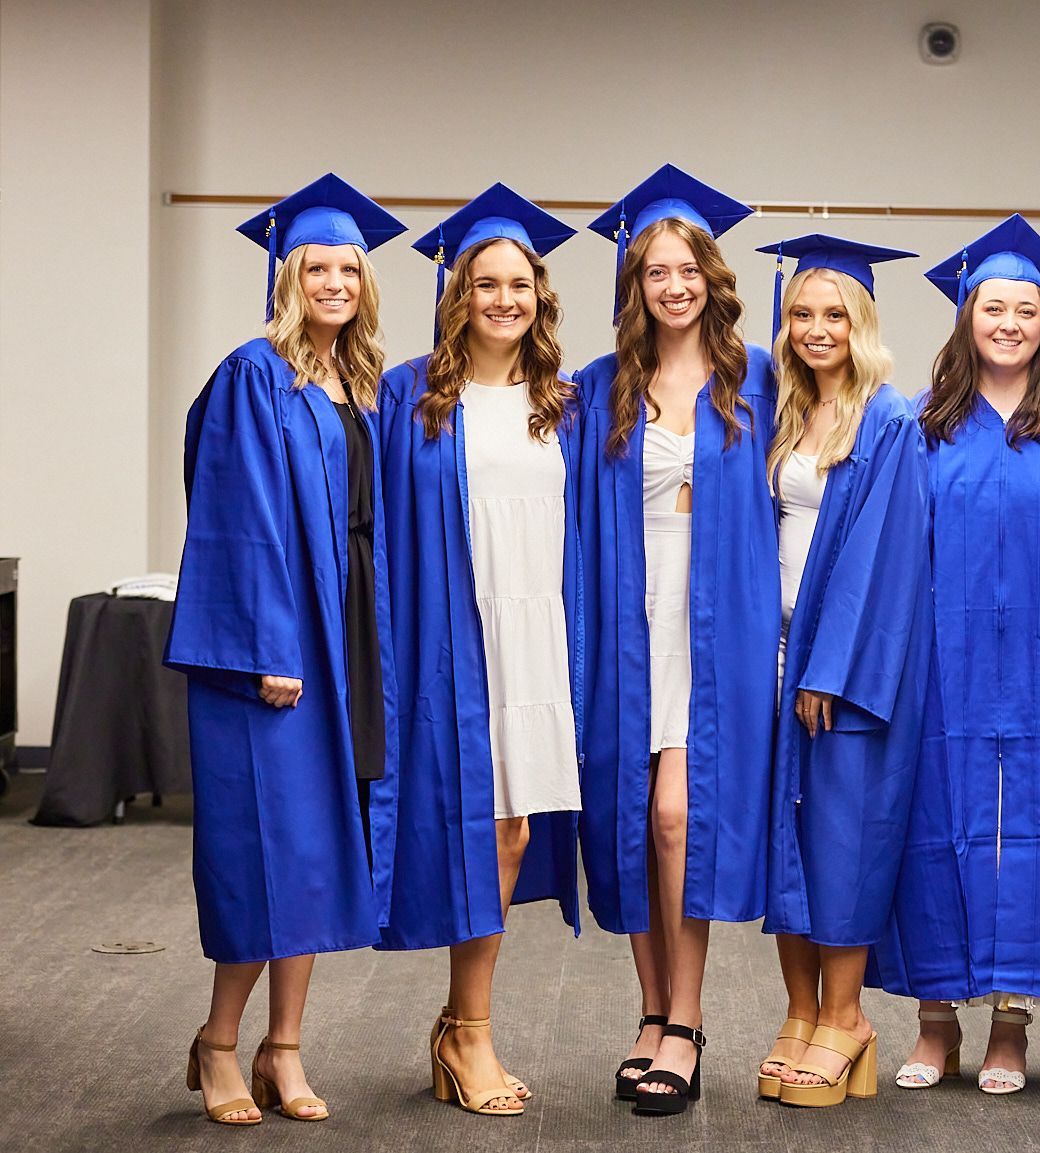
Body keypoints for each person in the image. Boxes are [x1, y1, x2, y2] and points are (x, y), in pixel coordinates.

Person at [165, 173, 404, 1125]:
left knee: (315, 848)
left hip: (345, 631)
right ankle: (219, 1045)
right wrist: (269, 644)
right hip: (279, 643)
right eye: (319, 267)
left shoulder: (360, 383)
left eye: (350, 268)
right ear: (288, 276)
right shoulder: (256, 372)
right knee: (264, 846)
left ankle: (284, 1049)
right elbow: (238, 520)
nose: (336, 282)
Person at [871, 214, 1040, 1096]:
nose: (1009, 324)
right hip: (945, 664)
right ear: (966, 319)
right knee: (936, 828)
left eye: (1025, 310)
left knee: (1039, 835)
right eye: (992, 308)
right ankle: (936, 1019)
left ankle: (1012, 1021)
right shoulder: (922, 421)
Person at [375, 183, 585, 1116]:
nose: (505, 299)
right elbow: (376, 525)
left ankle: (464, 1024)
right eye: (485, 283)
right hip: (455, 629)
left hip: (538, 627)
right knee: (474, 822)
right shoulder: (411, 393)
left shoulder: (563, 401)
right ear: (458, 293)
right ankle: (471, 1033)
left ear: (541, 296)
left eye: (520, 284)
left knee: (512, 829)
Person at [576, 164, 780, 1116]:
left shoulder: (760, 380)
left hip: (719, 627)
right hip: (629, 621)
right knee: (628, 819)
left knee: (676, 817)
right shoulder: (599, 389)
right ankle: (650, 1013)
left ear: (712, 276)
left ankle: (688, 1019)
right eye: (655, 270)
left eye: (687, 266)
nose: (673, 284)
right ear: (635, 284)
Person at [751, 235, 930, 1109]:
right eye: (801, 314)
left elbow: (879, 558)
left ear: (861, 323)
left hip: (842, 669)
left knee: (843, 838)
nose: (816, 329)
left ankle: (848, 1016)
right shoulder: (782, 410)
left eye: (834, 314)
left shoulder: (888, 420)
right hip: (776, 653)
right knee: (787, 835)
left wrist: (829, 667)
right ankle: (799, 1012)